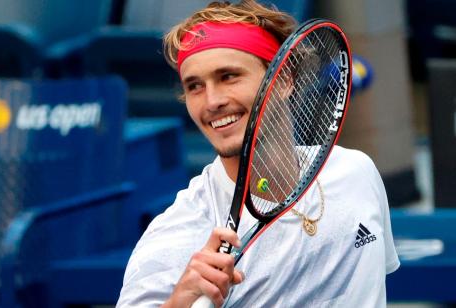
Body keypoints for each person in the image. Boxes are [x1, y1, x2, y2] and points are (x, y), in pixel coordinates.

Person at [117, 1, 400, 307]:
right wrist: (178, 302)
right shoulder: (177, 235)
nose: (212, 101)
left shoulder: (357, 173)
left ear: (284, 80)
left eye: (228, 76)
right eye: (195, 86)